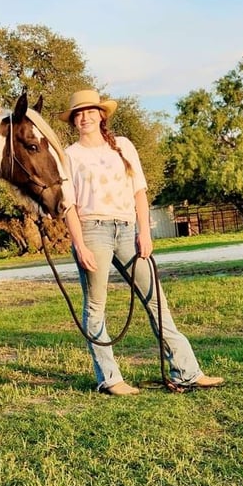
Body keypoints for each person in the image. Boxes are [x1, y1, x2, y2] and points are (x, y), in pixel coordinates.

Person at [59, 89, 224, 395]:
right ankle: (110, 379)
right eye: (78, 114)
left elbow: (139, 191)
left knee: (155, 299)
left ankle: (187, 371)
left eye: (90, 111)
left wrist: (144, 232)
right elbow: (68, 205)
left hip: (127, 228)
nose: (85, 117)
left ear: (101, 114)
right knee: (96, 306)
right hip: (92, 229)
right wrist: (80, 245)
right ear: (73, 120)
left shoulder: (122, 146)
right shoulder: (70, 155)